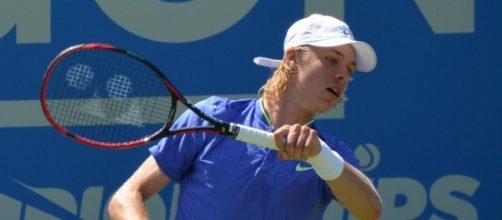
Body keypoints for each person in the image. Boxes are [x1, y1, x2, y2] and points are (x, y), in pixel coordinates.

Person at [108, 13, 382, 220]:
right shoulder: (213, 117)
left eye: (349, 68)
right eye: (332, 59)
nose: (343, 75)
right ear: (292, 59)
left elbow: (370, 210)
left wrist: (319, 154)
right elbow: (126, 196)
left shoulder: (329, 153)